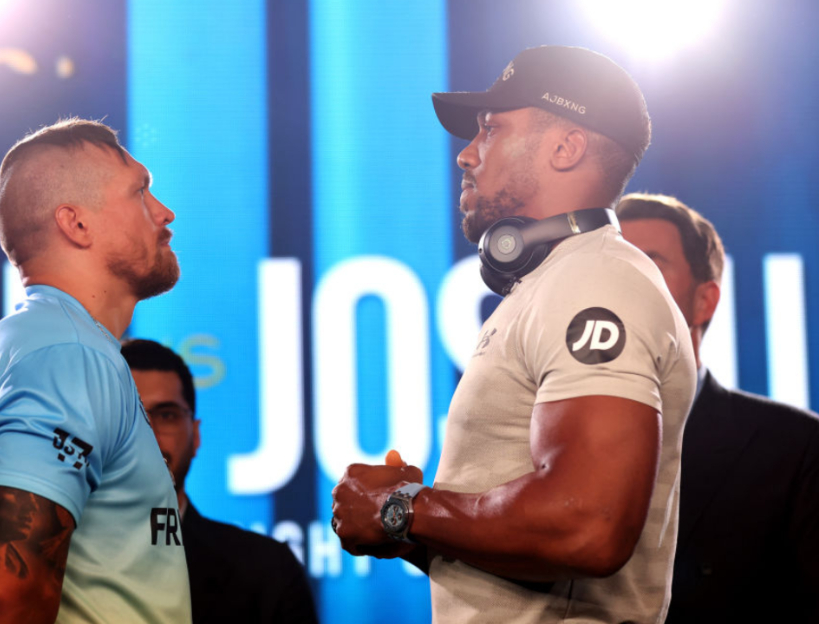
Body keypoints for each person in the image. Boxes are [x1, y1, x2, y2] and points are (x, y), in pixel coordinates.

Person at [331, 45, 697, 623]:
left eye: (491, 129)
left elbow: (587, 527)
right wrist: (402, 526)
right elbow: (527, 564)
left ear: (565, 148)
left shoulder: (596, 280)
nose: (466, 154)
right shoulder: (557, 280)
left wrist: (402, 508)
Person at [0, 118, 191, 623]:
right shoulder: (67, 354)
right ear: (76, 224)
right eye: (140, 192)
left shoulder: (32, 343)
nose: (164, 212)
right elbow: (5, 598)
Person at [616, 192, 819, 623]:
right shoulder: (528, 438)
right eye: (610, 264)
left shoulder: (797, 448)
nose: (620, 282)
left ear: (704, 301)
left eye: (649, 263)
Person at [120, 338, 319, 624]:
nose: (147, 434)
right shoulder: (57, 559)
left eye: (166, 415)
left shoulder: (269, 572)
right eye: (126, 414)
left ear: (195, 435)